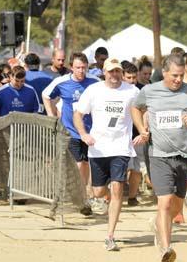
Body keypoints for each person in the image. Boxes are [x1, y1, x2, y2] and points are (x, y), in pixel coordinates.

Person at [131, 54, 187, 262]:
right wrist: (141, 128)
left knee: (176, 206)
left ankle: (158, 224)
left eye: (181, 75)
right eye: (174, 75)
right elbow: (135, 108)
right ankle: (166, 248)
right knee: (164, 203)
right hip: (158, 154)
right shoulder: (149, 91)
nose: (178, 80)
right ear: (164, 72)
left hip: (183, 154)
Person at [73, 58, 140, 251]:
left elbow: (142, 111)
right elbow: (78, 114)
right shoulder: (94, 90)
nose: (114, 75)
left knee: (118, 188)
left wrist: (144, 130)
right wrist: (84, 135)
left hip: (121, 148)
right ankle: (104, 198)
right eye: (111, 71)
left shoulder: (132, 91)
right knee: (98, 192)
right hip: (98, 148)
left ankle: (110, 235)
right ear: (104, 72)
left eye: (117, 71)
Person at [42, 52, 99, 215]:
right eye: (77, 68)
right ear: (71, 67)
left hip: (90, 131)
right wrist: (51, 116)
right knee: (78, 163)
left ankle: (82, 195)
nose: (81, 71)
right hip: (71, 131)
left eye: (83, 67)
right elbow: (46, 95)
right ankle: (80, 197)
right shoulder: (61, 82)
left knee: (87, 164)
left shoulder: (94, 82)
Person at [122, 61, 144, 206]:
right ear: (122, 76)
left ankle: (132, 197)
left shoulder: (142, 91)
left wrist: (143, 132)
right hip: (121, 135)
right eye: (128, 77)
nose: (132, 81)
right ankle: (111, 197)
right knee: (121, 168)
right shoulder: (117, 90)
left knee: (137, 169)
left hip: (138, 135)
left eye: (134, 77)